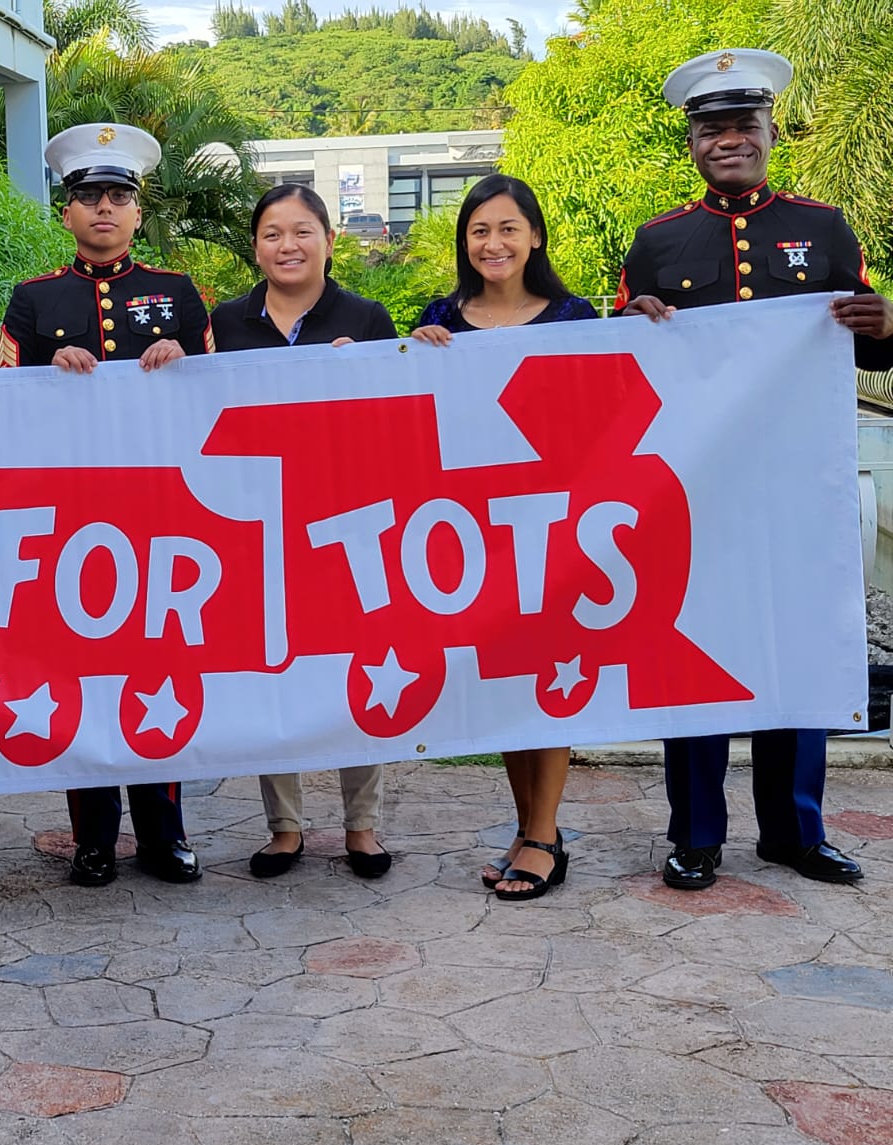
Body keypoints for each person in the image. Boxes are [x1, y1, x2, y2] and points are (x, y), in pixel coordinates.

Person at [616, 49, 893, 891]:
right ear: (692, 144)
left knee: (796, 649)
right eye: (711, 128)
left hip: (799, 484)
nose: (729, 139)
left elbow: (874, 343)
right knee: (695, 652)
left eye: (743, 124)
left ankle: (794, 833)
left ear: (771, 131)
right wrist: (632, 322)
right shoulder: (658, 242)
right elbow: (623, 371)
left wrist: (882, 325)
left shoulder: (827, 226)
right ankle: (696, 834)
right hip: (697, 491)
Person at [0, 122, 213, 888]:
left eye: (118, 195)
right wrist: (42, 374)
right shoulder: (32, 302)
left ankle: (166, 834)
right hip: (71, 519)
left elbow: (214, 405)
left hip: (161, 513)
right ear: (66, 212)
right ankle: (93, 838)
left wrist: (186, 363)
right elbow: (5, 410)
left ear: (137, 211)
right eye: (88, 196)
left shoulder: (180, 296)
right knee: (82, 673)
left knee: (159, 669)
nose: (103, 209)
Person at [411, 173, 600, 901]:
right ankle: (525, 830)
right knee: (506, 687)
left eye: (508, 229)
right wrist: (417, 352)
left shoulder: (576, 318)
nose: (493, 243)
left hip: (557, 524)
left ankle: (546, 836)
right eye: (479, 231)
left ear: (535, 237)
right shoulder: (441, 318)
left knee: (549, 684)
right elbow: (420, 422)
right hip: (476, 532)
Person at [211, 183, 396, 881]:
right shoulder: (224, 322)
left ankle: (362, 824)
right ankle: (283, 825)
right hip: (256, 519)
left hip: (349, 516)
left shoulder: (368, 317)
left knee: (357, 661)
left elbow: (395, 419)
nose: (287, 246)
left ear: (328, 239)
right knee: (274, 666)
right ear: (254, 246)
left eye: (301, 232)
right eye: (271, 233)